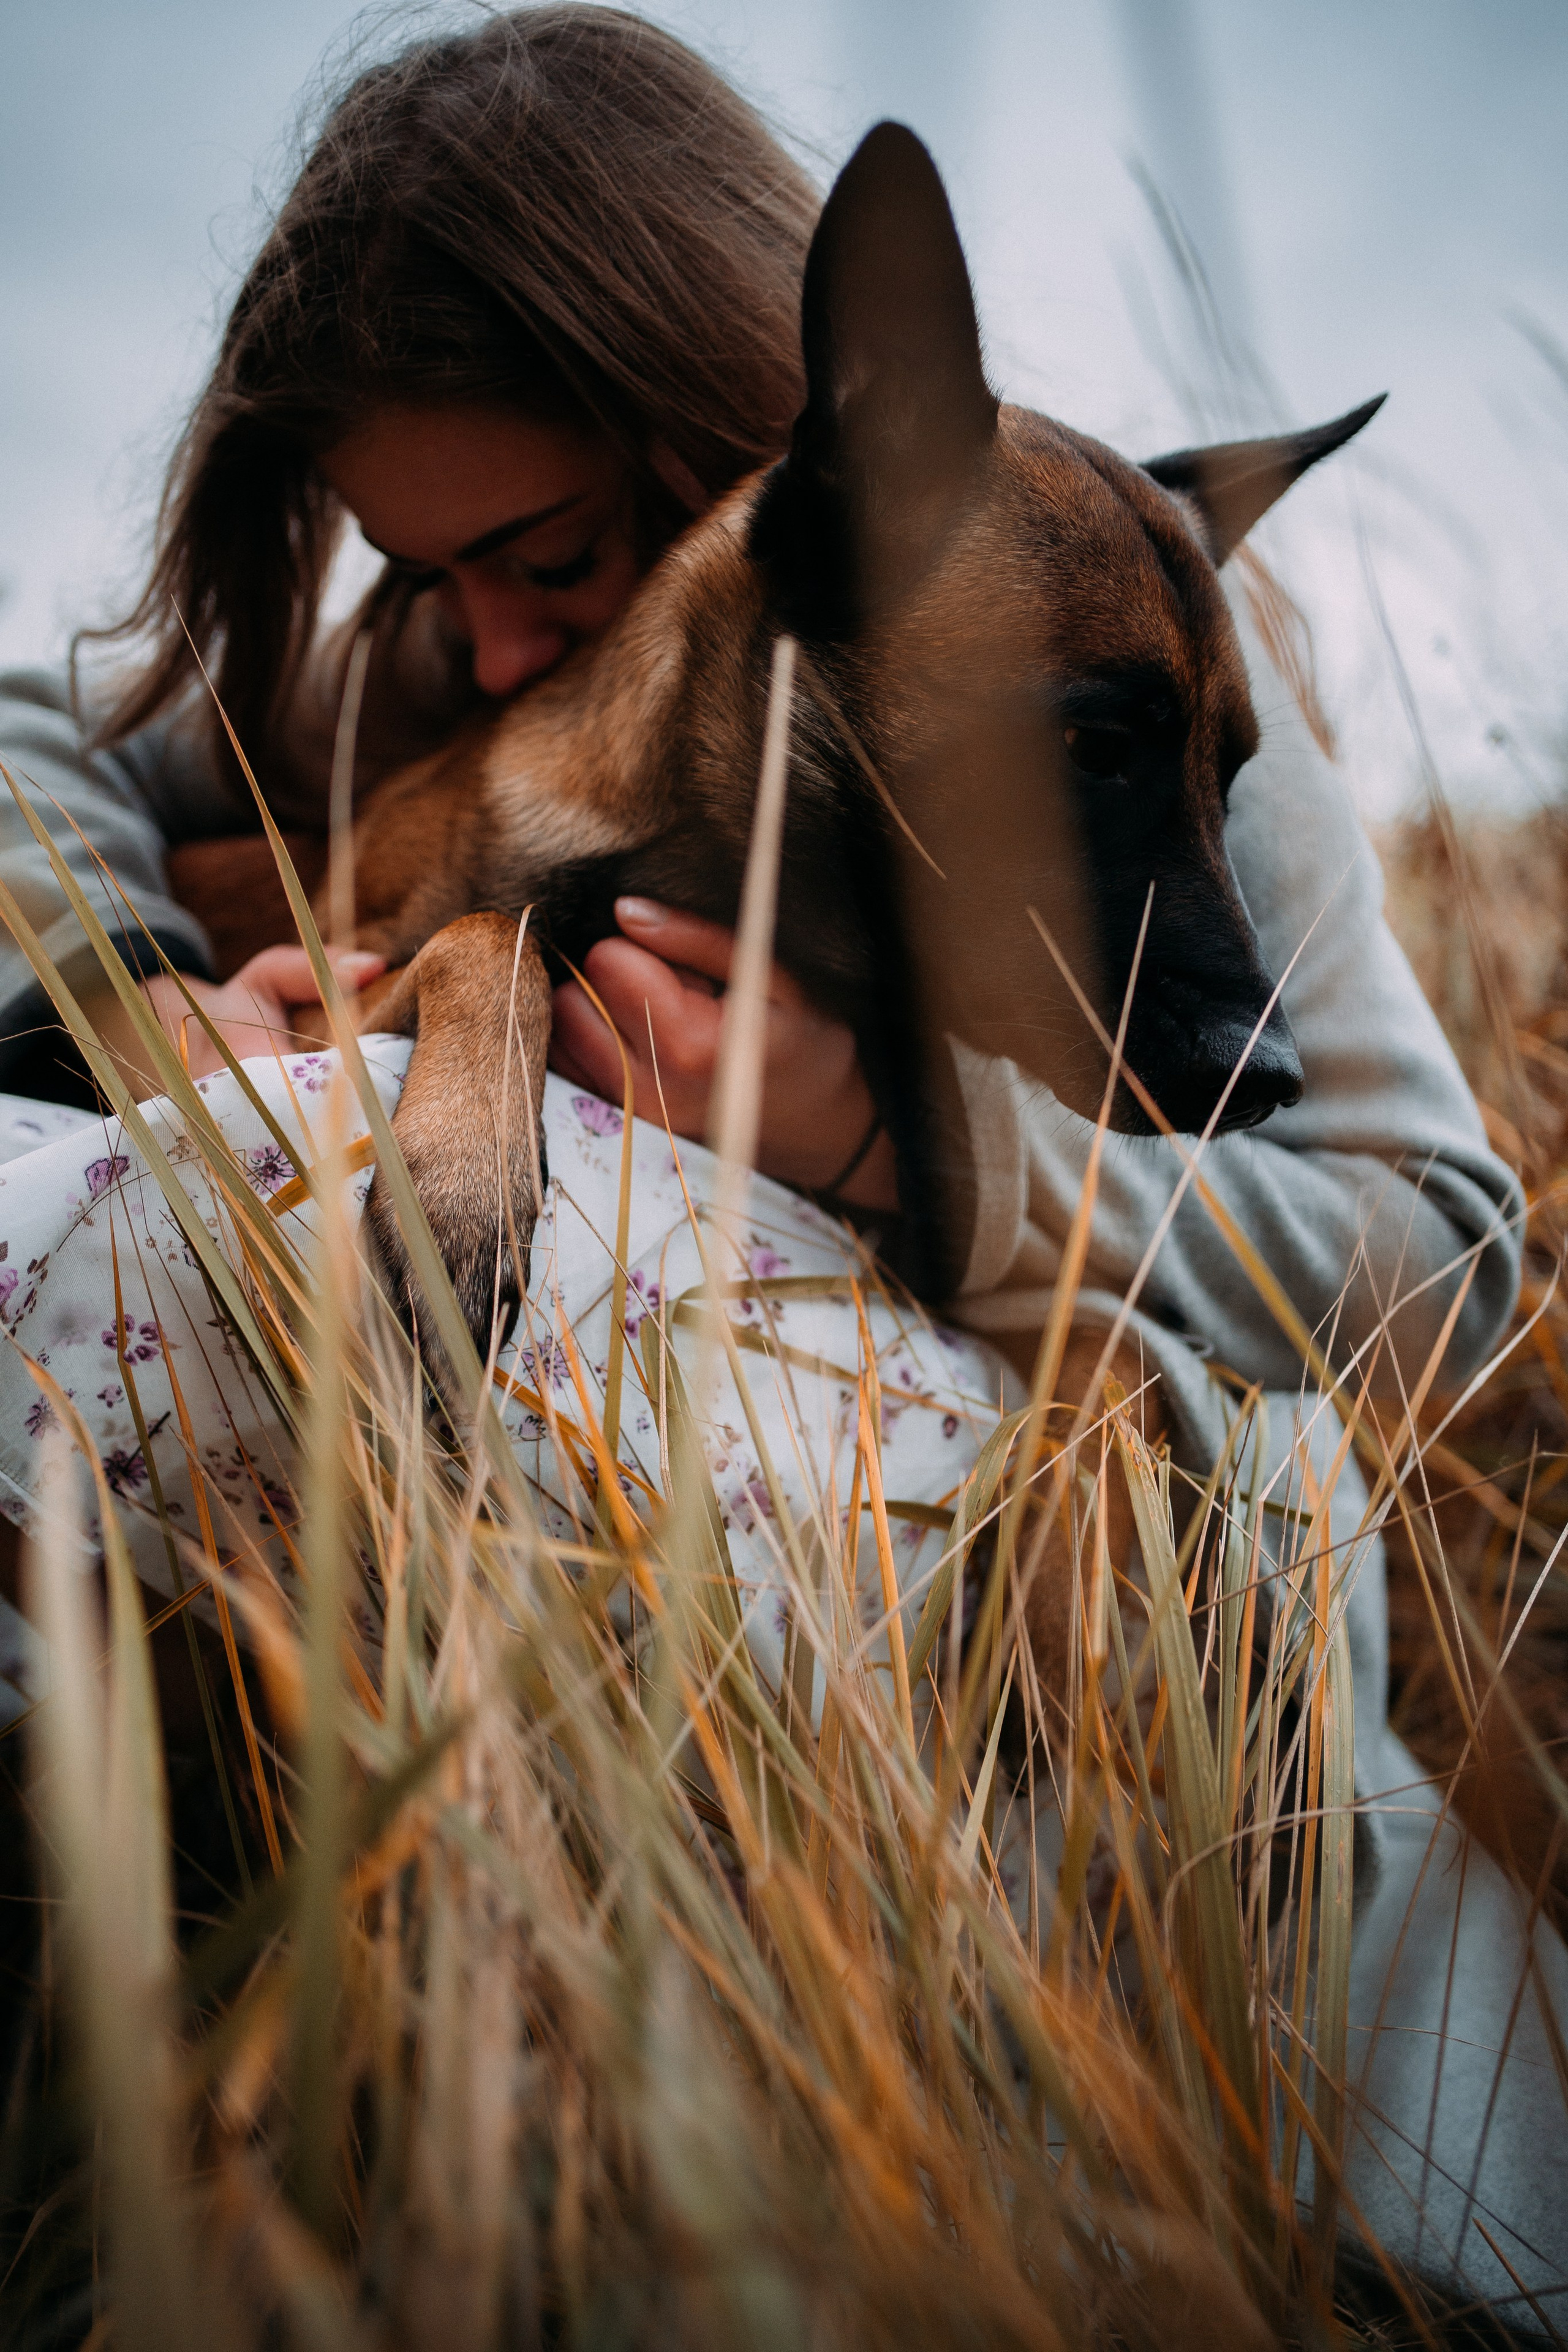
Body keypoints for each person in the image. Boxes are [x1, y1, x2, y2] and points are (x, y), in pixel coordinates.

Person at [0, 4, 1558, 2320]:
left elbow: (1443, 1262)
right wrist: (145, 986)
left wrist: (894, 1144)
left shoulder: (1101, 618)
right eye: (428, 577)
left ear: (731, 408)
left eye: (547, 546)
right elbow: (53, 729)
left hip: (1090, 1619)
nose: (496, 635)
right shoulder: (468, 670)